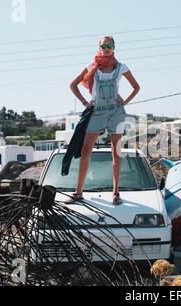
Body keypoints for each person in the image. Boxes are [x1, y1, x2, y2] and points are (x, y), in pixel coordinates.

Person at [66, 35, 140, 205]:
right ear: (99, 47)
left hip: (116, 112)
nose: (106, 48)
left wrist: (125, 101)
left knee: (116, 154)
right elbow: (73, 85)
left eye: (109, 45)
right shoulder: (92, 66)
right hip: (97, 112)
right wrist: (85, 102)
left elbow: (137, 87)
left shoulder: (121, 67)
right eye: (103, 45)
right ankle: (78, 193)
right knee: (85, 153)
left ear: (114, 47)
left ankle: (116, 193)